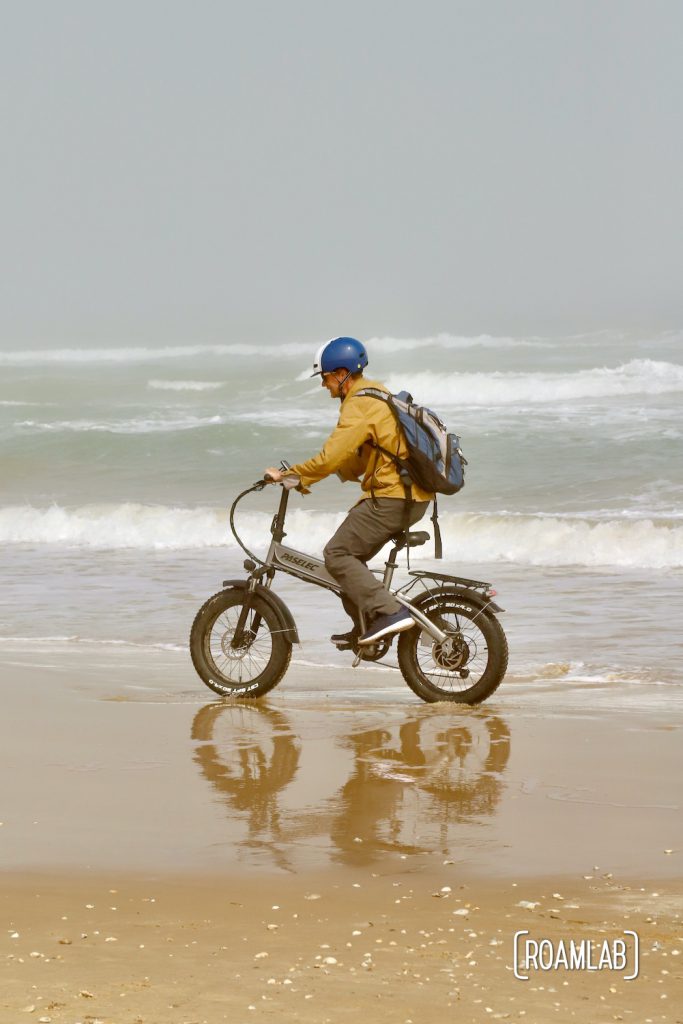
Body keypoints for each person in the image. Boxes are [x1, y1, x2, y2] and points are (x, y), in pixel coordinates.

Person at [264, 337, 433, 647]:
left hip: (392, 497)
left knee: (337, 554)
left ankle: (389, 613)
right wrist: (305, 479)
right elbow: (355, 459)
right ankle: (366, 624)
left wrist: (290, 476)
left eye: (325, 378)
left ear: (342, 373)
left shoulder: (358, 404)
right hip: (410, 496)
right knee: (348, 562)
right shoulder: (378, 392)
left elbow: (331, 457)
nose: (324, 386)